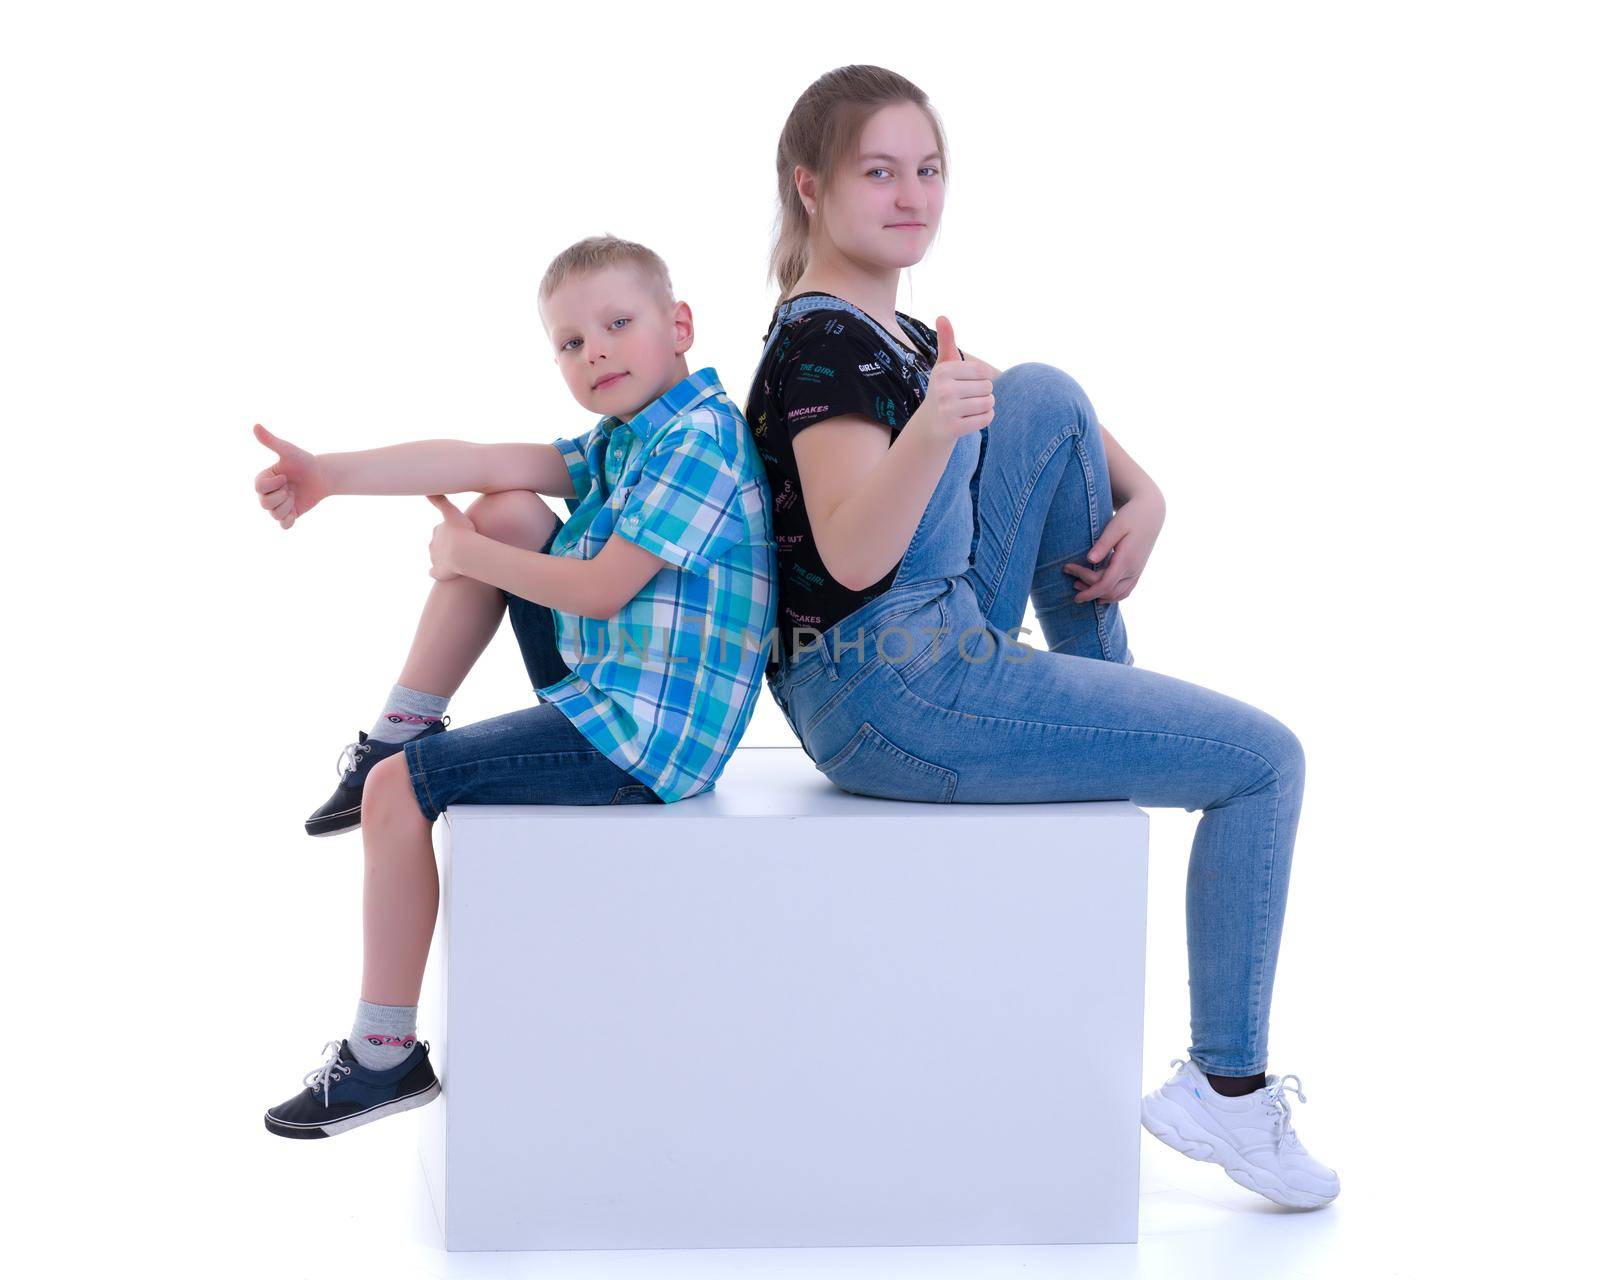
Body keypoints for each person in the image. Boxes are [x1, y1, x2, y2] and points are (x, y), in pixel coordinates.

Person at [744, 66, 1339, 1210]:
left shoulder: (893, 327)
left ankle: (1096, 706)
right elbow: (855, 553)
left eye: (928, 169)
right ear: (810, 188)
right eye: (880, 171)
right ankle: (1227, 1084)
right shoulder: (822, 346)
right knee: (1266, 761)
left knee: (1043, 390)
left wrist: (1147, 494)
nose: (912, 194)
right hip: (885, 692)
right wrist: (929, 424)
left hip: (918, 651)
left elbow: (1028, 411)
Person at [251, 234, 776, 1138]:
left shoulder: (702, 441)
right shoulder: (630, 436)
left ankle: (385, 1057)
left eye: (617, 324)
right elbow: (484, 459)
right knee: (508, 507)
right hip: (613, 682)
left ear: (679, 325)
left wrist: (467, 555)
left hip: (646, 739)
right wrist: (334, 476)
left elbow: (606, 586)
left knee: (395, 794)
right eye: (571, 343)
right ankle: (399, 728)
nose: (596, 351)